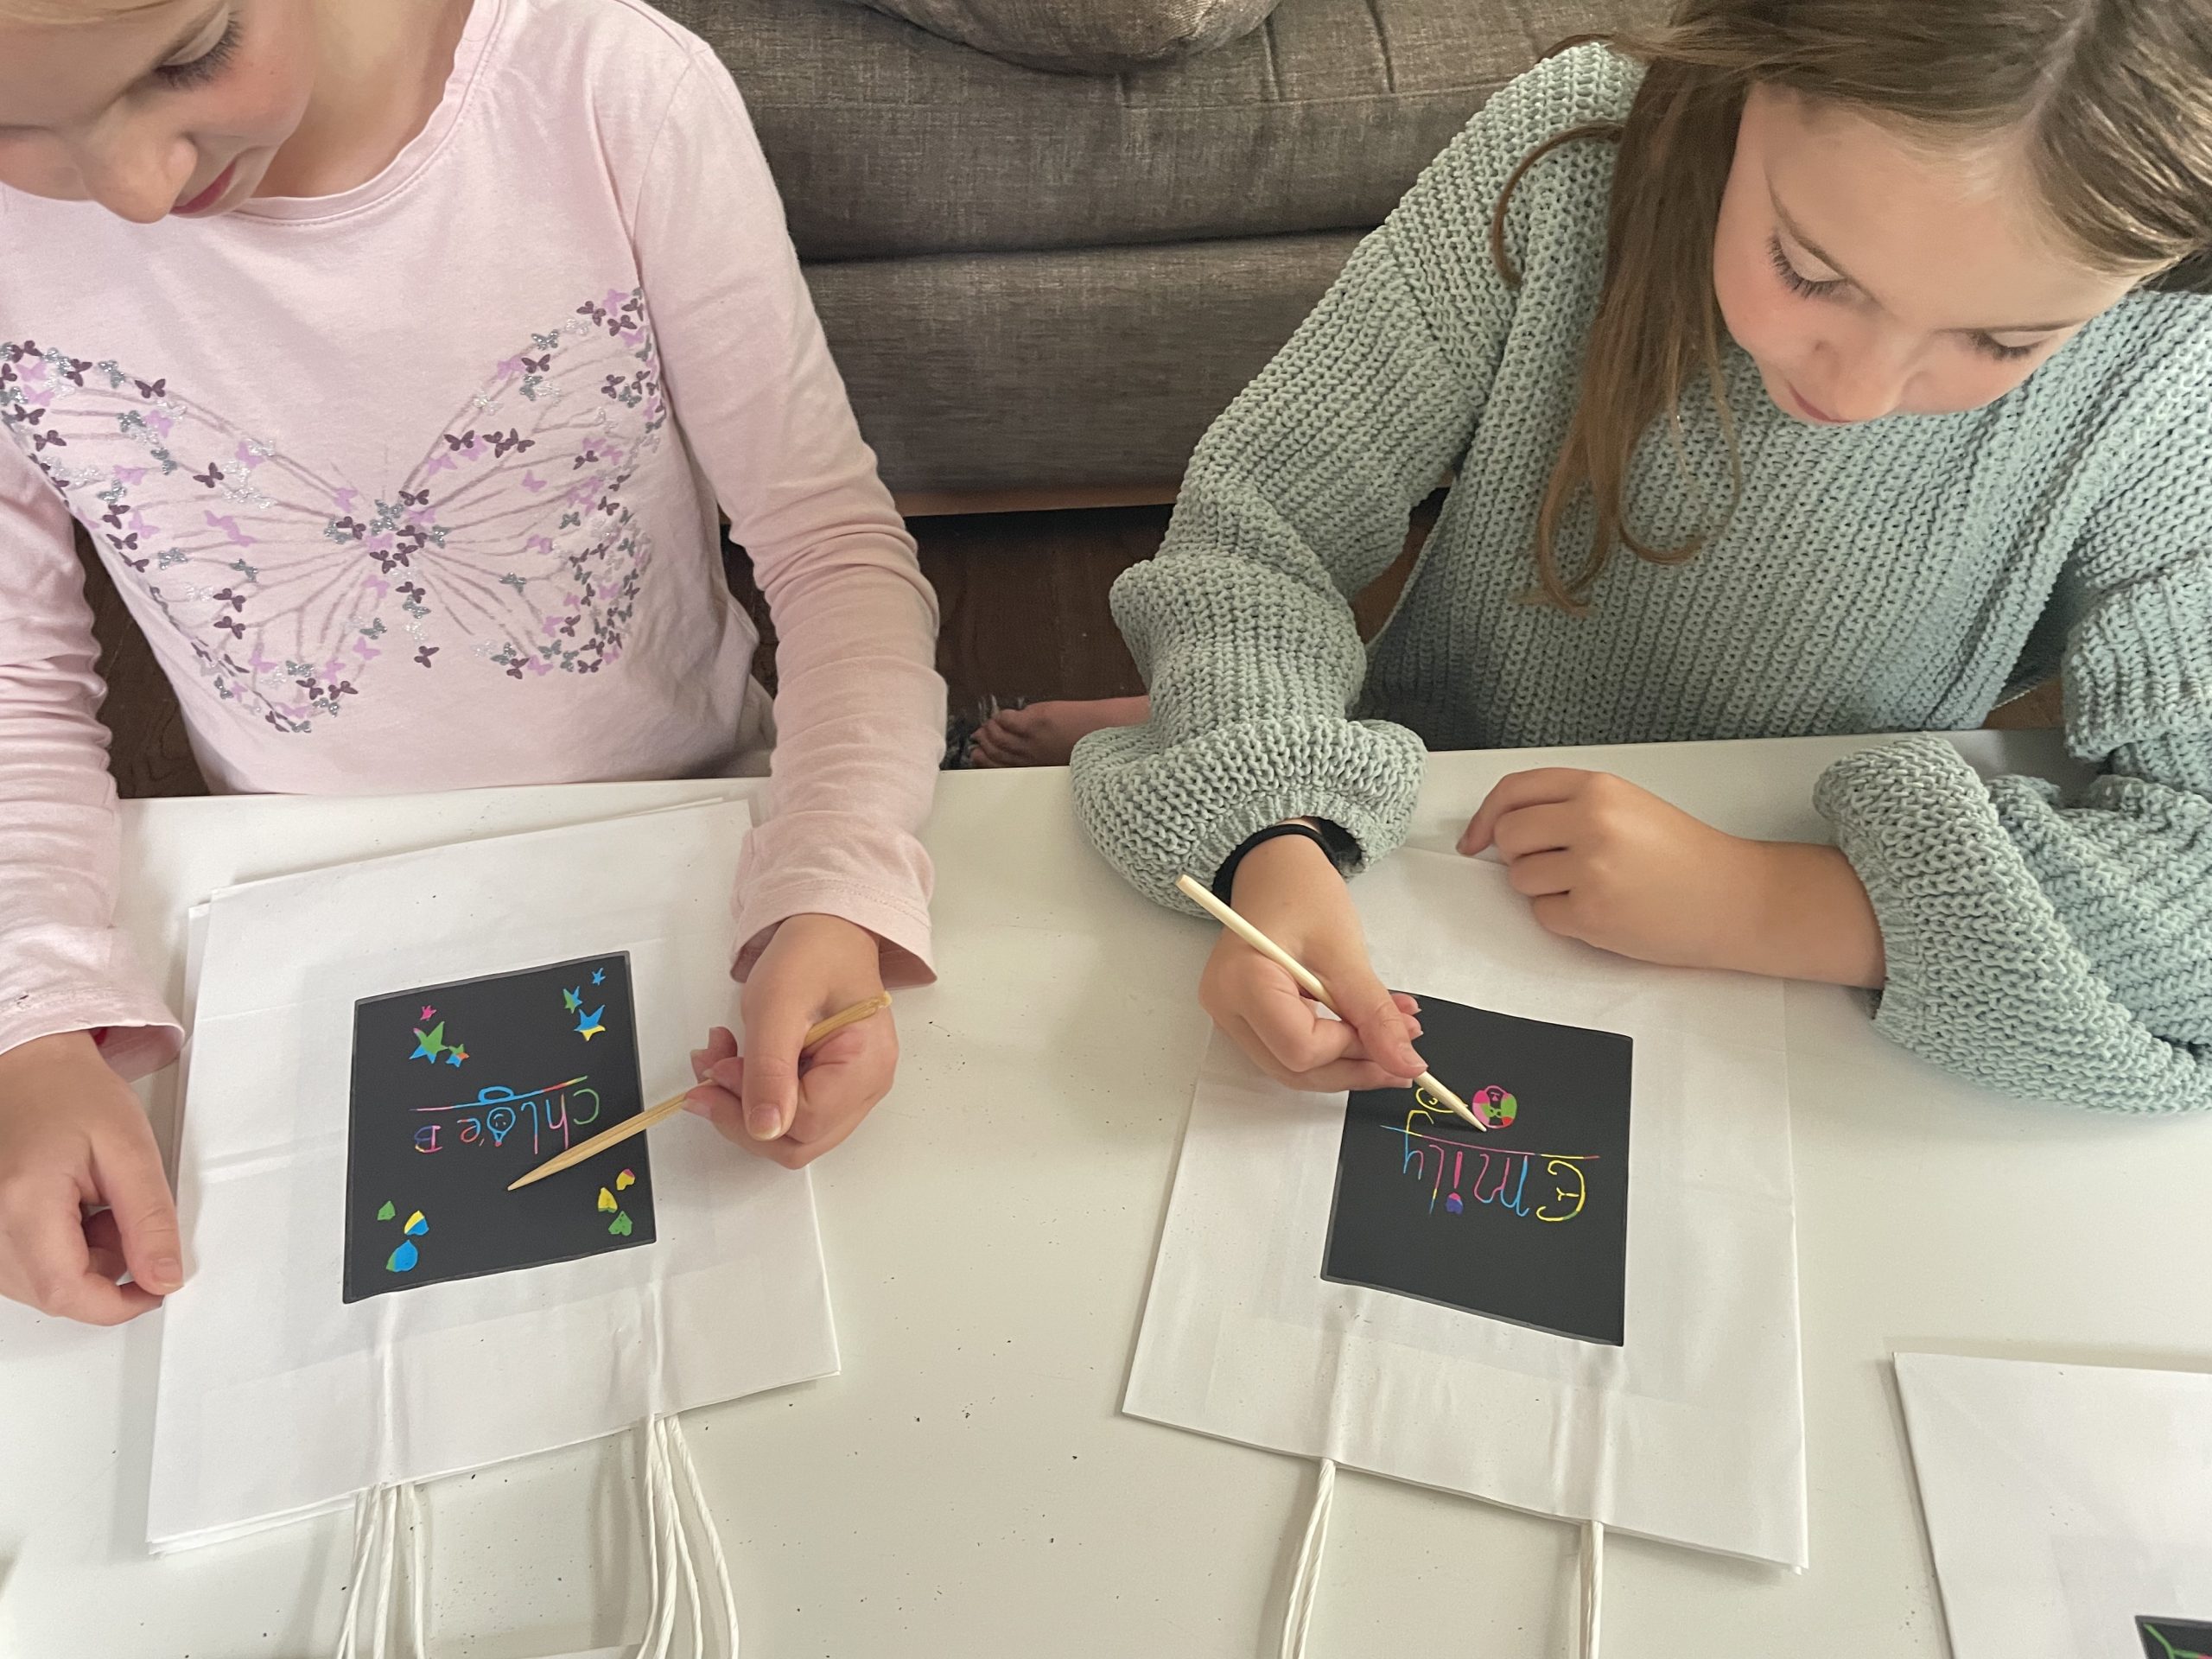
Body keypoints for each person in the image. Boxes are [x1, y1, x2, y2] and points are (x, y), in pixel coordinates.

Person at [1039, 1, 2212, 1112]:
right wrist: (1267, 820)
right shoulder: (1572, 151)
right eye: (1809, 271)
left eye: (2005, 340)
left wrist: (1769, 901)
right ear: (1748, 64)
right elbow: (1264, 521)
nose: (1859, 392)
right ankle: (1225, 716)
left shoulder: (2174, 374)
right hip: (1435, 823)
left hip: (1793, 953)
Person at [0, 0, 946, 1325]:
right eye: (12, 124)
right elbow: (17, 687)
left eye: (188, 62)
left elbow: (831, 545)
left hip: (695, 841)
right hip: (298, 891)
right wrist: (31, 1014)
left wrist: (836, 878)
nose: (137, 189)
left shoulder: (610, 92)